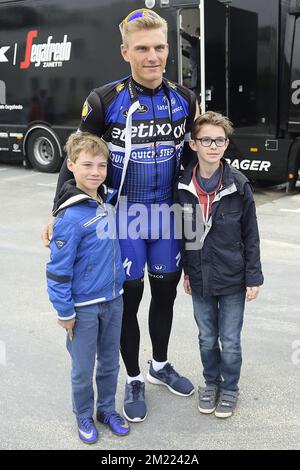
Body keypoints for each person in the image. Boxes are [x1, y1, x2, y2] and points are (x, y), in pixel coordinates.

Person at [42, 8, 198, 423]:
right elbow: (74, 158)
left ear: (169, 49)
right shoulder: (104, 100)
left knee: (165, 294)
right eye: (142, 48)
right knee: (128, 300)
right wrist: (60, 209)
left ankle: (159, 365)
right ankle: (132, 376)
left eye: (160, 47)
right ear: (125, 51)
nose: (153, 56)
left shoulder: (184, 98)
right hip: (123, 215)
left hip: (167, 214)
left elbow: (190, 158)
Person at [176, 111, 264, 418]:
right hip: (200, 276)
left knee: (230, 339)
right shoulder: (183, 187)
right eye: (206, 140)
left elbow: (251, 234)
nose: (213, 146)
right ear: (194, 144)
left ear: (226, 144)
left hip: (233, 278)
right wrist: (187, 272)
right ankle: (210, 384)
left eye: (219, 140)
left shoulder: (239, 186)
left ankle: (230, 389)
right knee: (206, 338)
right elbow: (185, 236)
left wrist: (253, 277)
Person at [46, 132, 130, 444]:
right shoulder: (69, 215)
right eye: (87, 165)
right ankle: (83, 413)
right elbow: (57, 270)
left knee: (109, 362)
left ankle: (106, 409)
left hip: (113, 300)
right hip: (82, 308)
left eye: (101, 165)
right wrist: (64, 311)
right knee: (83, 368)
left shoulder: (105, 201)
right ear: (71, 166)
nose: (95, 171)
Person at [180, 27, 200, 95]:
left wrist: (181, 31)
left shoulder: (197, 41)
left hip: (197, 75)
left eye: (194, 33)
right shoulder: (197, 46)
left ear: (197, 34)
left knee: (196, 92)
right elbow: (190, 56)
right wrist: (181, 51)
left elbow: (189, 38)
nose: (192, 34)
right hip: (195, 73)